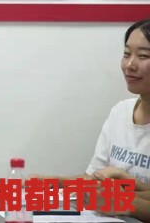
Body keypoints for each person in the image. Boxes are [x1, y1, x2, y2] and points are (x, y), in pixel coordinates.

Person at [38, 18, 150, 220]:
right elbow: (94, 179)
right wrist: (51, 182)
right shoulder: (120, 112)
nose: (130, 65)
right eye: (126, 54)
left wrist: (125, 200)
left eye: (143, 56)